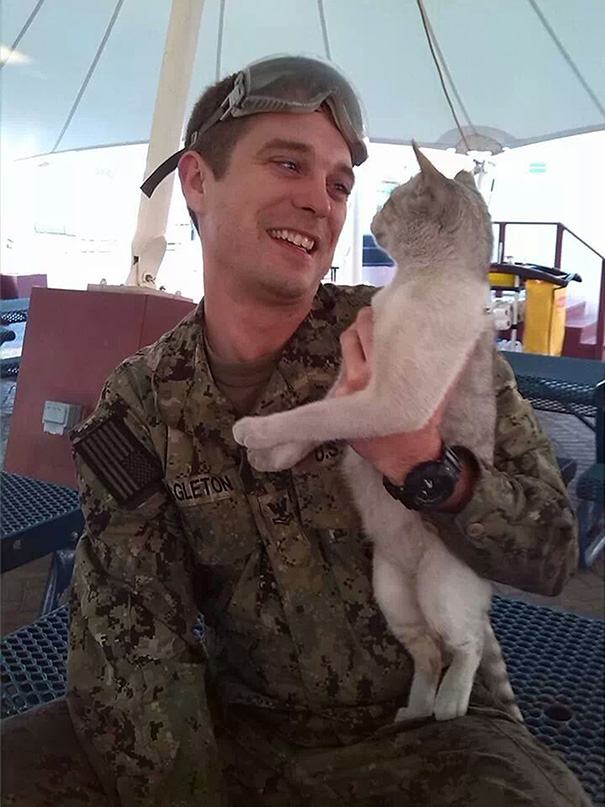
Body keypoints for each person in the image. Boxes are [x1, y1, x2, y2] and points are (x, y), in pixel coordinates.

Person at [1, 55, 590, 806]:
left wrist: (425, 467)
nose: (320, 200)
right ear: (196, 181)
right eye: (289, 163)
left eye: (339, 183)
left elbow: (549, 556)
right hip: (239, 727)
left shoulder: (417, 336)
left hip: (428, 735)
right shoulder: (143, 400)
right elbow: (130, 630)